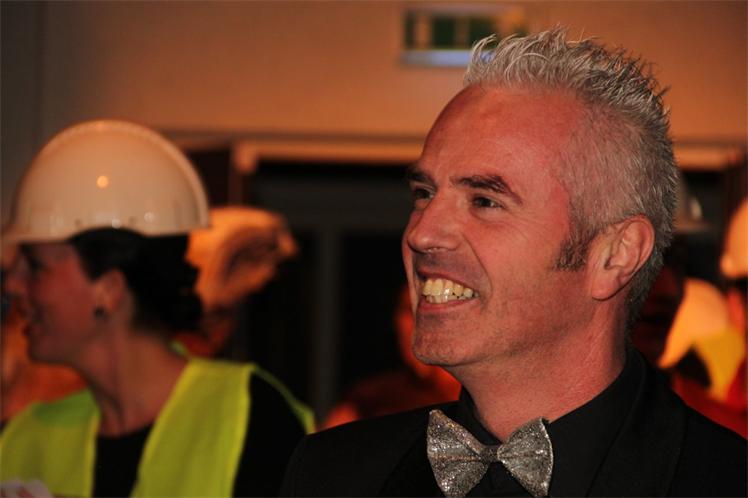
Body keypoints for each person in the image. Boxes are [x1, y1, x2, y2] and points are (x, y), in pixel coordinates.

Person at [281, 28, 746, 497]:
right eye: (423, 193)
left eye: (485, 201)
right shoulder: (333, 475)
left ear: (615, 255)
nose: (421, 233)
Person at [0, 120, 312, 497]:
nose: (13, 285)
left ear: (109, 289)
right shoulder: (25, 439)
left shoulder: (247, 413)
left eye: (35, 266)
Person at [323, 284, 460, 428]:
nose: (414, 325)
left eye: (430, 312)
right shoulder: (367, 400)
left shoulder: (470, 398)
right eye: (407, 310)